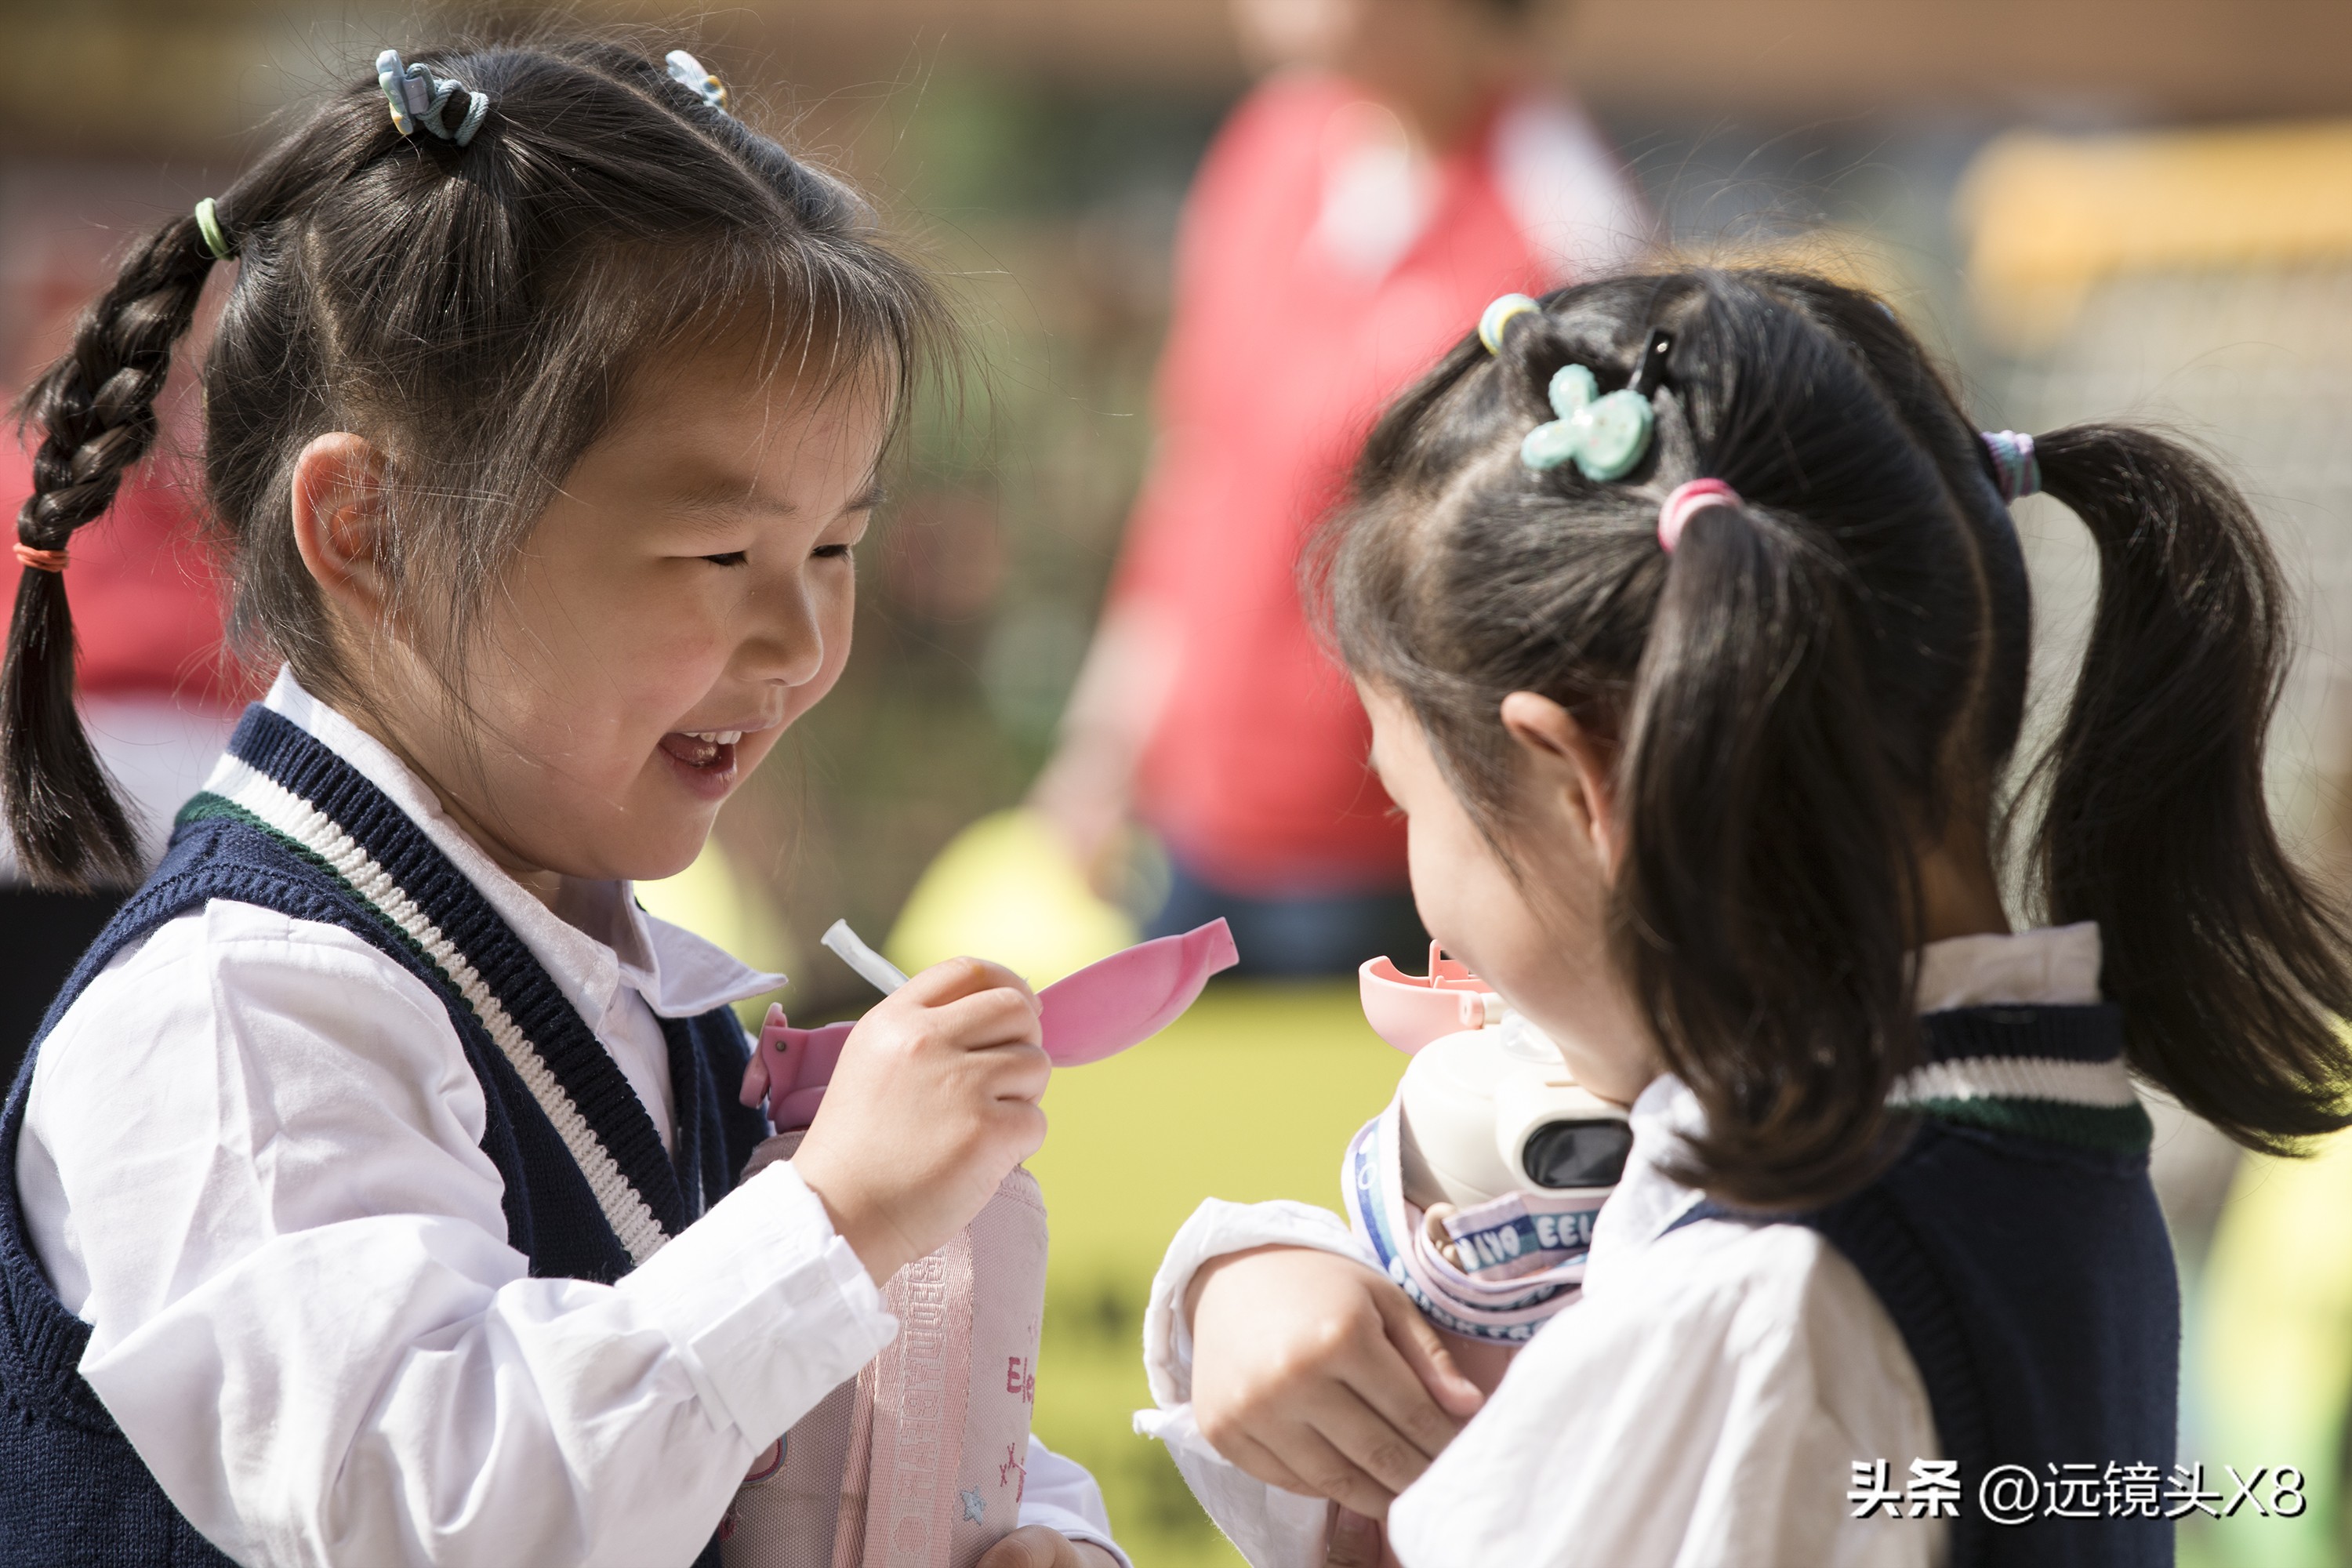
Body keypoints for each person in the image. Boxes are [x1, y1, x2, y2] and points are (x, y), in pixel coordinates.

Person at [0, 40, 1123, 1568]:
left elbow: (787, 1431)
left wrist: (1031, 1532)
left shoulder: (615, 982)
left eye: (835, 552)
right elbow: (447, 1512)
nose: (798, 644)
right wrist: (839, 1216)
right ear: (371, 526)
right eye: (720, 557)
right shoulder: (235, 1017)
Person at [1134, 270, 2352, 1566]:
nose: (1429, 886)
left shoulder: (1759, 1312)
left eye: (1408, 805)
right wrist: (1249, 1279)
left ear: (1576, 784)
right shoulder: (2041, 1147)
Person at [1029, 0, 1645, 975]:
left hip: (1386, 852)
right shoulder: (1270, 146)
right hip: (1188, 827)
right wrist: (1107, 736)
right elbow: (1199, 460)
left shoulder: (1561, 220)